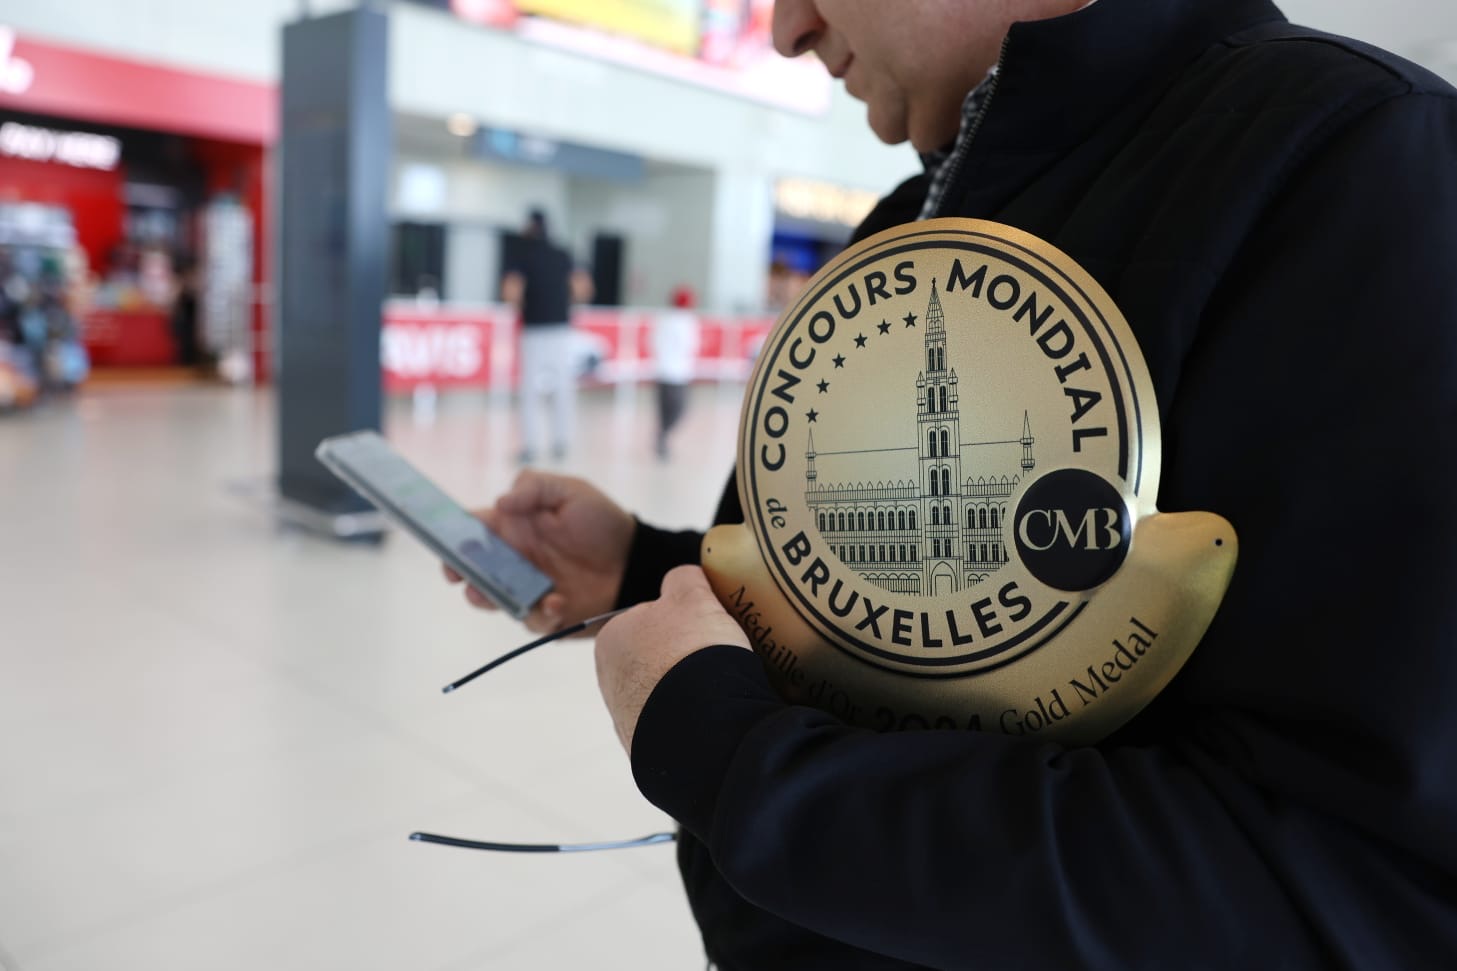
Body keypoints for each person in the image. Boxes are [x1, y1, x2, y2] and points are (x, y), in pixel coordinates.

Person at [449, 1, 1457, 966]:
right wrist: (644, 568)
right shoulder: (916, 211)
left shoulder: (1354, 156)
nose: (786, 28)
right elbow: (909, 604)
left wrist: (734, 760)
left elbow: (1353, 889)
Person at [500, 209, 593, 463]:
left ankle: (530, 446)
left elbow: (510, 291)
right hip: (560, 329)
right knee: (563, 388)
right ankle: (561, 442)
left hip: (534, 329)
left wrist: (525, 306)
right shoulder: (563, 253)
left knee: (530, 390)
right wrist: (562, 303)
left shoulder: (521, 254)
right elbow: (583, 289)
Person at [650, 285, 701, 460]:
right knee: (680, 409)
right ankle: (663, 435)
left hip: (662, 371)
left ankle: (662, 437)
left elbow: (653, 342)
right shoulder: (688, 322)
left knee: (664, 410)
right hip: (678, 373)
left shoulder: (663, 319)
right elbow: (691, 347)